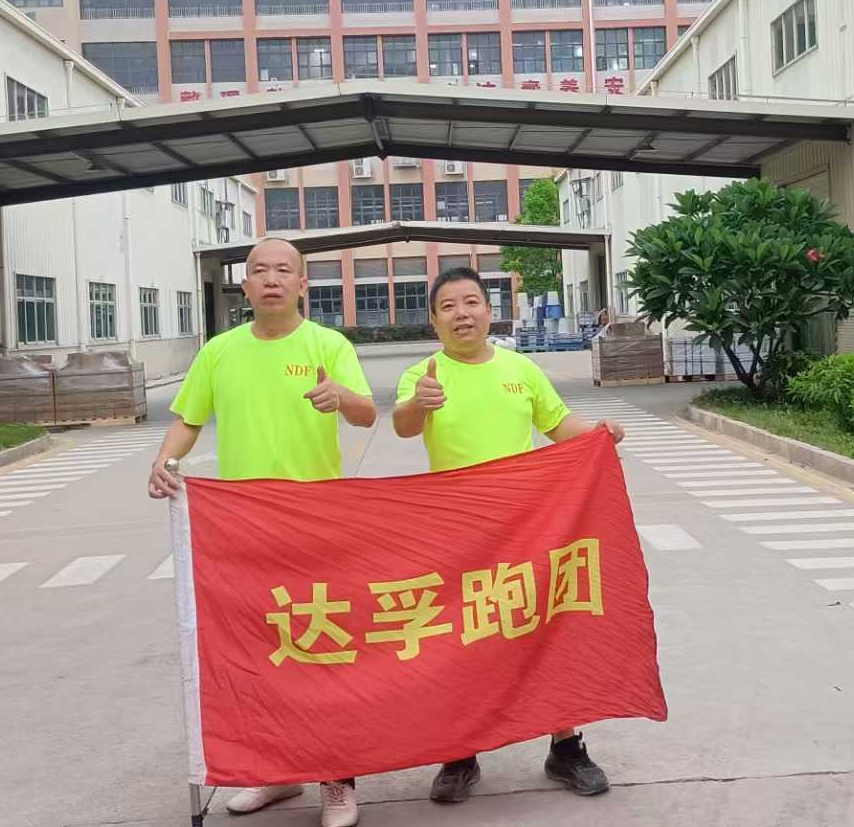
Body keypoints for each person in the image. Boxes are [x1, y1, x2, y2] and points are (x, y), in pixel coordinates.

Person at [146, 237, 374, 827]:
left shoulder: (328, 345)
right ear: (244, 286)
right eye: (259, 271)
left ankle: (337, 780)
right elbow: (188, 419)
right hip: (244, 530)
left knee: (322, 652)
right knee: (260, 652)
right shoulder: (220, 352)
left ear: (302, 284)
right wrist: (165, 462)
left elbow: (367, 414)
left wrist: (340, 396)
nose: (271, 279)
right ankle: (275, 773)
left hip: (316, 524)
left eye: (283, 270)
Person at [391, 266, 627, 805]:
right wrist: (419, 402)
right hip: (457, 534)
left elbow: (558, 425)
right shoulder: (423, 375)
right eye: (448, 306)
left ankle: (565, 747)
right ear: (434, 320)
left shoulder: (521, 369)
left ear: (489, 310)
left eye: (471, 302)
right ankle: (460, 752)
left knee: (544, 630)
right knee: (461, 640)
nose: (462, 314)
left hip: (526, 529)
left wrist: (598, 434)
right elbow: (404, 426)